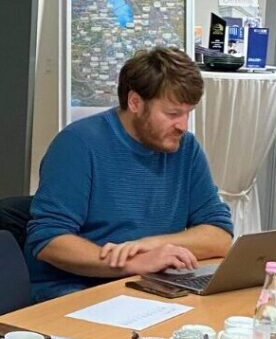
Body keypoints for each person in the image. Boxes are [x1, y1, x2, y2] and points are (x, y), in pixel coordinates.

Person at [25, 47, 233, 301]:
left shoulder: (186, 149)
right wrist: (133, 263)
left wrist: (152, 245)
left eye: (188, 113)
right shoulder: (79, 144)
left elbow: (220, 236)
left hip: (150, 287)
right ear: (135, 102)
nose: (183, 126)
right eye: (172, 114)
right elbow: (48, 241)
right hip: (77, 290)